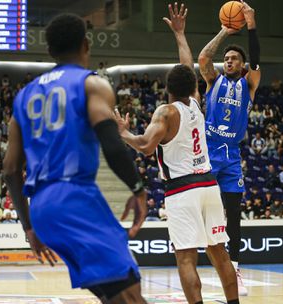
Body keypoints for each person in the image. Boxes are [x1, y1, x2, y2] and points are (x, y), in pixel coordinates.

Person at [3, 13, 147, 303]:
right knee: (131, 295)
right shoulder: (91, 84)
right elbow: (111, 142)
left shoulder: (23, 97)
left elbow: (9, 170)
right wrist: (137, 188)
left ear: (50, 51)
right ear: (86, 44)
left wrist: (29, 226)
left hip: (41, 207)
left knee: (117, 295)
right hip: (75, 198)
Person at [115, 4, 239, 304]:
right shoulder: (196, 104)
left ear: (166, 89)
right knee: (219, 253)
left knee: (185, 258)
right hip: (209, 185)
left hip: (182, 189)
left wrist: (123, 133)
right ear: (191, 87)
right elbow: (187, 65)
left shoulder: (166, 111)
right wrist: (180, 35)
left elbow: (145, 146)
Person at [198, 0, 260, 295]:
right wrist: (224, 32)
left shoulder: (248, 85)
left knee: (233, 214)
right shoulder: (213, 81)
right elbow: (203, 58)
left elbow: (257, 59)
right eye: (228, 58)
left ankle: (235, 269)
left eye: (234, 58)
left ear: (243, 64)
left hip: (232, 156)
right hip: (208, 153)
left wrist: (251, 25)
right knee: (206, 211)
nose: (229, 61)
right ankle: (209, 260)